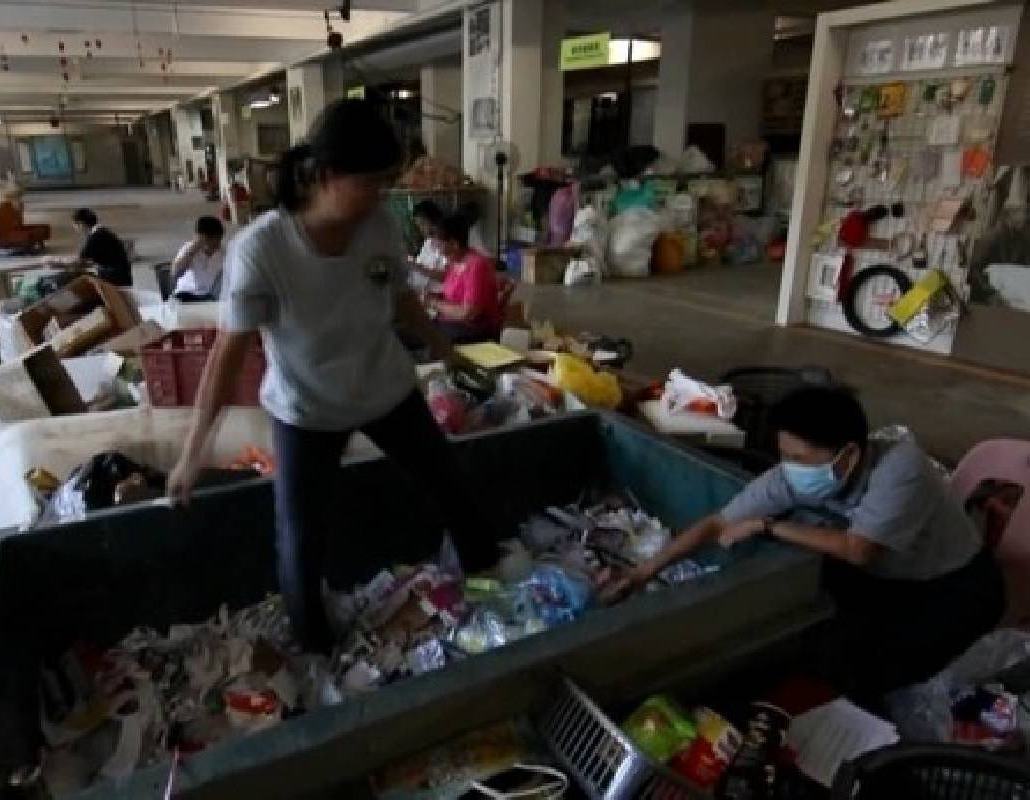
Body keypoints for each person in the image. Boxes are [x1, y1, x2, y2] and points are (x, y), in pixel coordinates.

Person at [167, 99, 499, 653]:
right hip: (307, 411)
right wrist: (192, 450)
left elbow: (398, 301)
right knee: (300, 543)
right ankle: (315, 654)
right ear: (323, 176)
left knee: (454, 488)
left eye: (386, 183)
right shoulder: (262, 249)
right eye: (371, 182)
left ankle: (493, 595)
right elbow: (227, 357)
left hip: (387, 391)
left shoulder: (377, 226)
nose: (381, 196)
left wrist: (447, 351)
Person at [601, 386, 1004, 703]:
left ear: (847, 456)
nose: (789, 468)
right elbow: (716, 524)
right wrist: (642, 573)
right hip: (886, 580)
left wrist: (770, 527)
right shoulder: (795, 476)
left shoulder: (902, 468)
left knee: (877, 681)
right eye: (783, 455)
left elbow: (859, 549)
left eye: (800, 457)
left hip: (956, 588)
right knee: (819, 649)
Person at [427, 213, 501, 343]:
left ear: (454, 244)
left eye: (439, 243)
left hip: (474, 330)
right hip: (452, 323)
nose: (437, 248)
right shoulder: (455, 261)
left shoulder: (476, 265)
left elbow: (467, 313)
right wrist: (434, 297)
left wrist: (433, 303)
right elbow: (454, 293)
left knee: (421, 338)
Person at [44, 208, 132, 286]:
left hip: (114, 280)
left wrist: (56, 262)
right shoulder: (102, 232)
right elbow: (88, 261)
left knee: (67, 279)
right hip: (120, 277)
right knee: (77, 273)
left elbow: (78, 262)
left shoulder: (96, 236)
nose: (75, 229)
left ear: (81, 224)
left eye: (75, 225)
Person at [170, 215, 226, 302]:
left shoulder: (224, 253)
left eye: (219, 239)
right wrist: (194, 249)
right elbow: (175, 273)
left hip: (211, 296)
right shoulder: (188, 248)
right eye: (210, 239)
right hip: (186, 293)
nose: (217, 243)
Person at [407, 200, 446, 291]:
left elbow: (445, 276)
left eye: (422, 223)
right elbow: (419, 266)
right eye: (419, 225)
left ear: (434, 221)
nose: (421, 228)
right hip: (422, 292)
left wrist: (417, 267)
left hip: (440, 295)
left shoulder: (447, 244)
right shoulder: (428, 243)